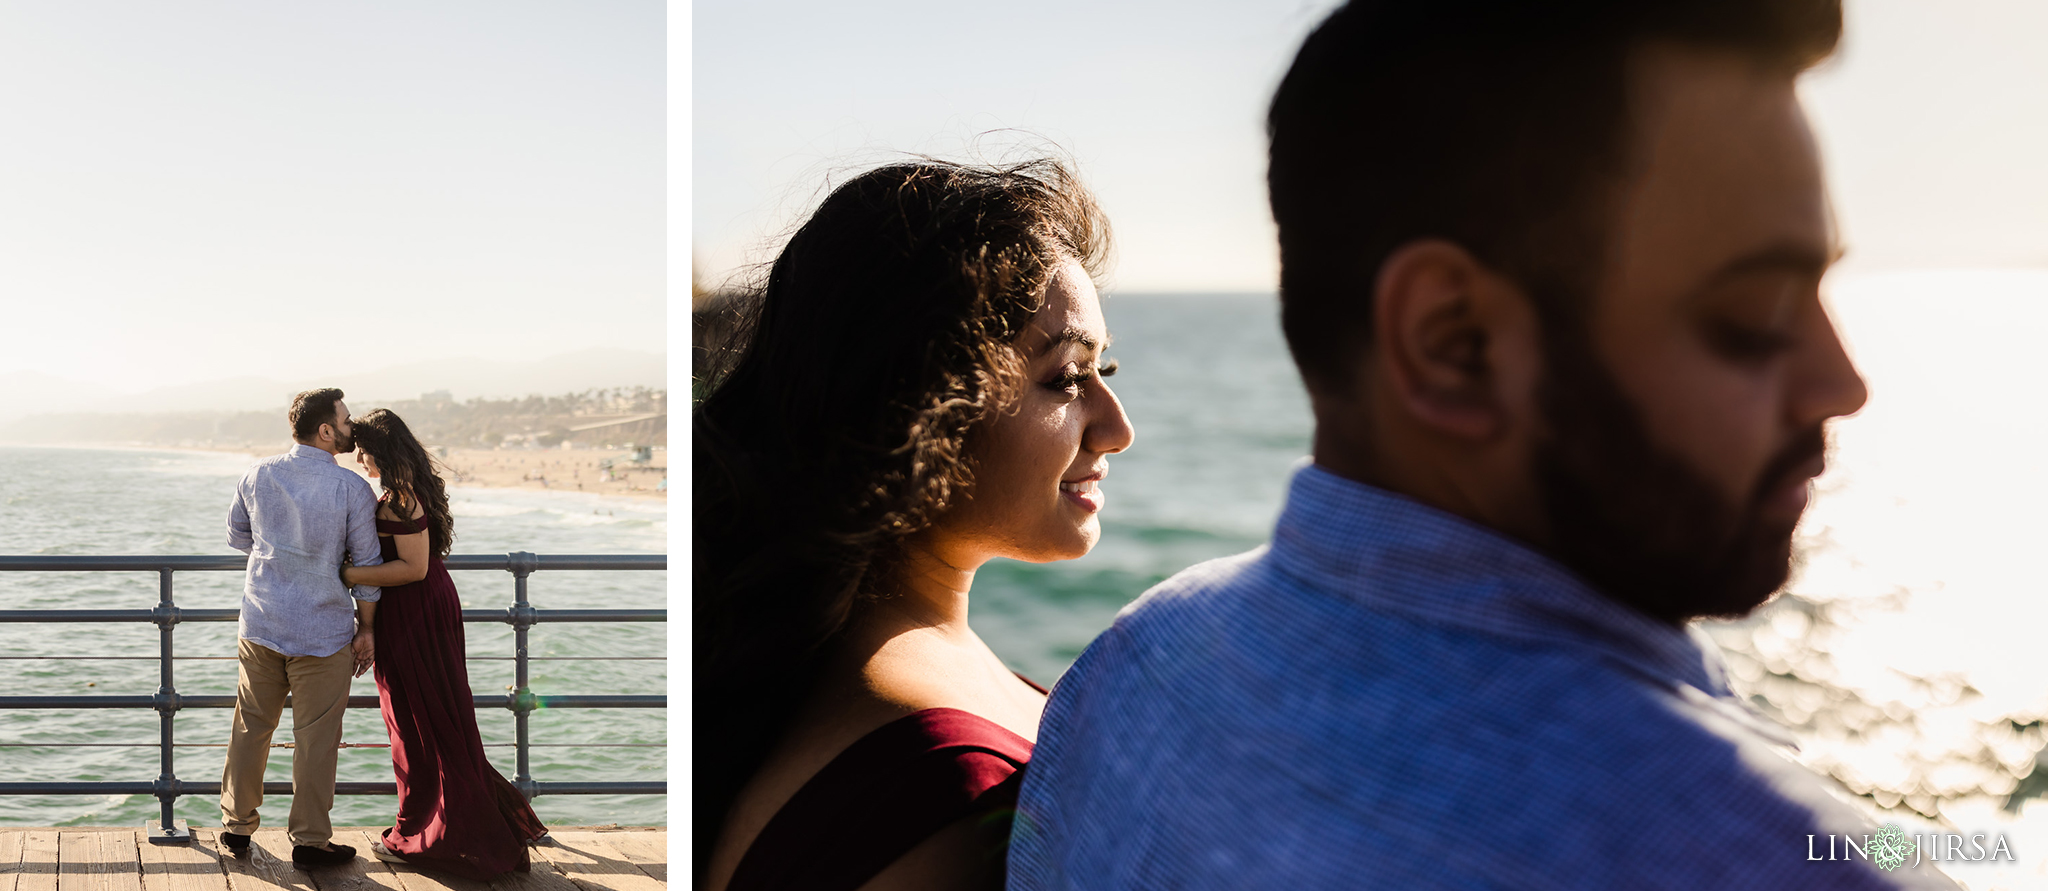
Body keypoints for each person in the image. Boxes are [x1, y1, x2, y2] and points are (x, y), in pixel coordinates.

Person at [1011, 2, 1961, 888]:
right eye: (1753, 314)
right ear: (1453, 344)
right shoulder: (1777, 859)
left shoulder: (1124, 677)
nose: (1843, 383)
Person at [694, 159, 1132, 891]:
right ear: (928, 402)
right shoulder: (935, 790)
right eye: (1064, 377)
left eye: (1104, 373)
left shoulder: (816, 673)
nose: (1116, 429)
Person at [340, 408, 548, 880]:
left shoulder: (399, 498)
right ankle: (451, 829)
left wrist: (347, 572)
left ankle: (431, 837)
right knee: (435, 720)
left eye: (363, 449)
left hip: (413, 611)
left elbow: (412, 567)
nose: (358, 458)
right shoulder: (411, 490)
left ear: (382, 450)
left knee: (418, 724)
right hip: (426, 608)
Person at [221, 387, 382, 869]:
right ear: (326, 430)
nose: (352, 428)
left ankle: (237, 828)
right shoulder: (351, 488)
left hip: (262, 621)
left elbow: (236, 536)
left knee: (252, 726)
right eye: (347, 421)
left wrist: (278, 554)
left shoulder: (258, 473)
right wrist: (366, 628)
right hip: (324, 630)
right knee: (317, 738)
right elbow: (369, 566)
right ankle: (310, 841)